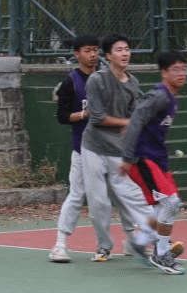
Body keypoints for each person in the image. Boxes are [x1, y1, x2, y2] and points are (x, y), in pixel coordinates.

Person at [47, 34, 137, 262]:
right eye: (87, 50)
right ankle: (60, 244)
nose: (92, 55)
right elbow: (62, 116)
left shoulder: (109, 79)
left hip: (113, 148)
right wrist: (85, 114)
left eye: (95, 50)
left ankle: (131, 241)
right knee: (77, 195)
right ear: (77, 54)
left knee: (122, 195)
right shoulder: (71, 82)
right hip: (84, 149)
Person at [80, 32, 155, 262]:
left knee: (132, 195)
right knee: (99, 202)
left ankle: (155, 241)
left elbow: (132, 116)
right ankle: (104, 247)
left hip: (118, 150)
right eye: (119, 50)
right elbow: (97, 117)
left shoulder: (133, 83)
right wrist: (127, 123)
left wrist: (131, 130)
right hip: (93, 147)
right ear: (108, 56)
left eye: (127, 49)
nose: (125, 54)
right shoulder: (97, 80)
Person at [118, 50, 187, 274]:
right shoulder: (159, 96)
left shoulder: (172, 99)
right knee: (170, 203)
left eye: (184, 69)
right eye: (176, 69)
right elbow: (135, 121)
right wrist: (127, 157)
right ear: (164, 73)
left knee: (164, 205)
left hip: (157, 158)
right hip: (143, 158)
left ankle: (141, 240)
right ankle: (161, 253)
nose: (181, 73)